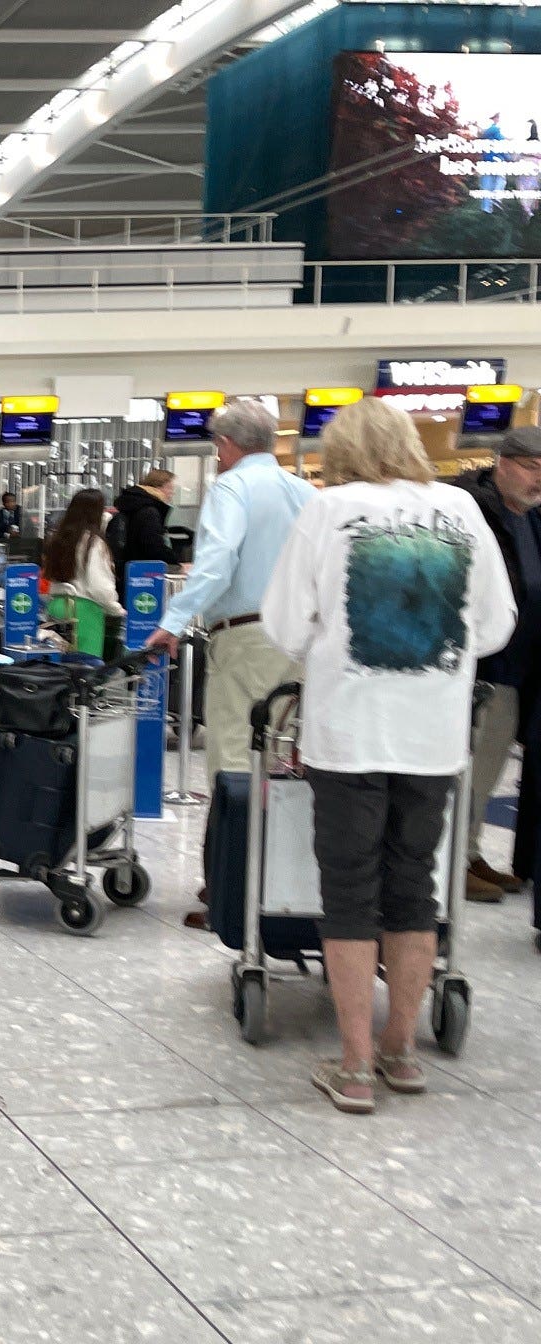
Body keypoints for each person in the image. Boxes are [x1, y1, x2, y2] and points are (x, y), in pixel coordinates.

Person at [261, 397, 514, 1114]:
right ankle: (402, 1051)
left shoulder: (327, 510)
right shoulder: (463, 513)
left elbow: (284, 620)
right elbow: (495, 623)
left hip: (349, 732)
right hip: (432, 735)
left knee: (348, 889)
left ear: (341, 449)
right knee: (414, 887)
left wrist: (333, 652)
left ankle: (354, 1066)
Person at [144, 399, 316, 923]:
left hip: (246, 641)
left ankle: (230, 892)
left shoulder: (232, 487)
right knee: (287, 767)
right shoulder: (305, 490)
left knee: (235, 764)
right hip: (301, 640)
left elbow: (218, 562)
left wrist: (172, 622)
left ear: (226, 445)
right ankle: (272, 884)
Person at [453, 425, 541, 899]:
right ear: (502, 463)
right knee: (472, 763)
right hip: (482, 667)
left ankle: (470, 850)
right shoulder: (475, 510)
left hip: (518, 668)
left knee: (488, 770)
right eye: (531, 467)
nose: (538, 478)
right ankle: (453, 861)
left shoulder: (530, 517)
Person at [42, 488, 125, 653]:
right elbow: (99, 587)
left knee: (59, 671)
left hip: (56, 606)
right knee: (85, 669)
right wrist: (116, 609)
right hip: (84, 612)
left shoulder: (59, 539)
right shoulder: (93, 543)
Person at [107, 469, 178, 579]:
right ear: (158, 487)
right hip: (145, 573)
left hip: (128, 570)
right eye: (169, 488)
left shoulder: (135, 504)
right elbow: (153, 546)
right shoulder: (149, 511)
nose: (172, 492)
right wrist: (176, 562)